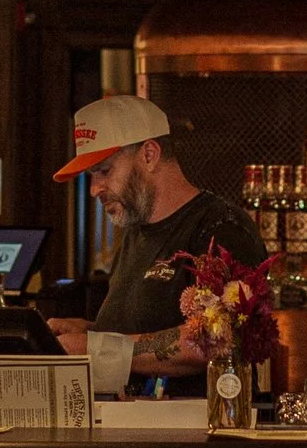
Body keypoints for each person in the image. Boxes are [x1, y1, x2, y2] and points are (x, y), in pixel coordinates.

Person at [46, 96, 265, 372]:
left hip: (199, 415)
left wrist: (96, 347)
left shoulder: (222, 228)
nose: (94, 189)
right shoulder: (136, 235)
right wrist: (88, 332)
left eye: (104, 171)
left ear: (149, 154)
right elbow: (141, 333)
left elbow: (214, 339)